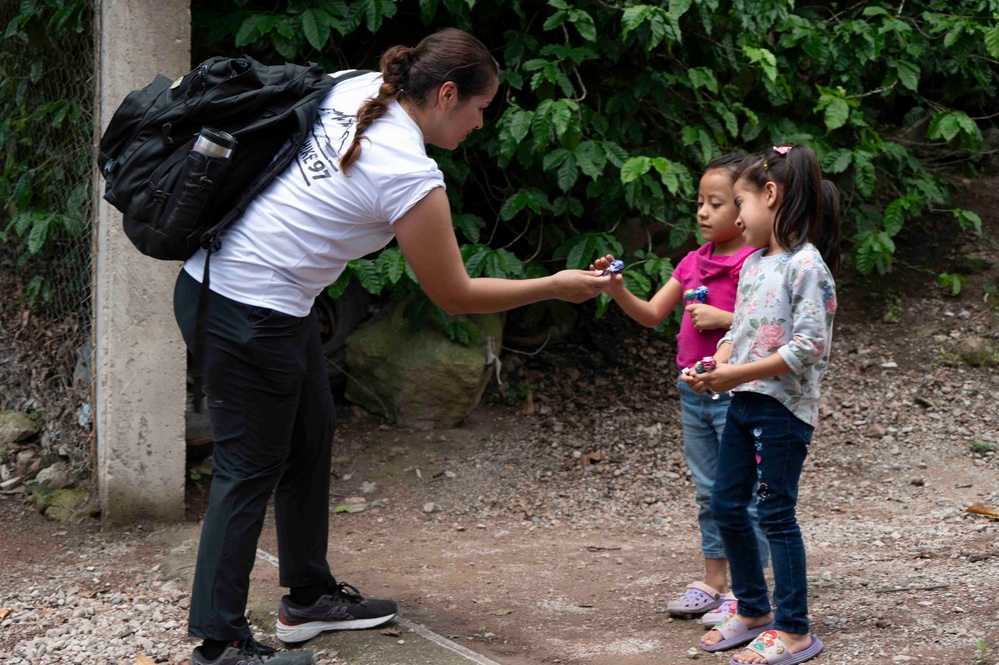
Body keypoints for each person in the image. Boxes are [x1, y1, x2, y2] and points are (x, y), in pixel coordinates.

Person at [173, 28, 611, 665]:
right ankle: (220, 644)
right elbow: (454, 295)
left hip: (240, 291)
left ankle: (308, 596)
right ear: (448, 93)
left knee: (310, 431)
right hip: (246, 310)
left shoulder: (361, 86)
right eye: (481, 109)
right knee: (247, 468)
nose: (482, 124)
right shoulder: (408, 170)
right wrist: (554, 284)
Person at [592, 155, 769, 624]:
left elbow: (775, 328)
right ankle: (714, 581)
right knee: (709, 491)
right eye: (700, 202)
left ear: (746, 207)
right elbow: (651, 314)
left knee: (747, 492)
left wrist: (725, 319)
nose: (703, 213)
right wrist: (616, 290)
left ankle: (753, 590)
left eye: (716, 203)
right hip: (693, 392)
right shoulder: (691, 262)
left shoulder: (757, 263)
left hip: (740, 393)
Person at [684, 144, 840, 665]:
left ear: (770, 196)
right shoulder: (753, 263)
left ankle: (795, 630)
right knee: (728, 506)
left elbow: (807, 348)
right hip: (744, 401)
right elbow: (742, 330)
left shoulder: (806, 267)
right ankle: (752, 610)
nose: (736, 216)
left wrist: (735, 372)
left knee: (776, 515)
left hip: (783, 411)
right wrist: (714, 366)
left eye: (739, 203)